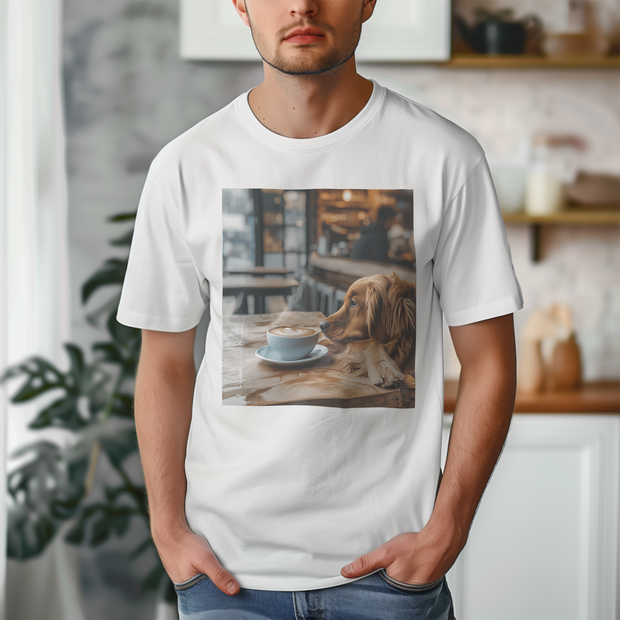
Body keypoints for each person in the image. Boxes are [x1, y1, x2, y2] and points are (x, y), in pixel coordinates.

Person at [116, 0, 523, 618]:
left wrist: (449, 526)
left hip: (391, 576)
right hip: (227, 576)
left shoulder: (445, 158)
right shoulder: (186, 167)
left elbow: (490, 361)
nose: (302, 4)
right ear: (241, 5)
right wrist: (168, 529)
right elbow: (166, 363)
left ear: (367, 1)